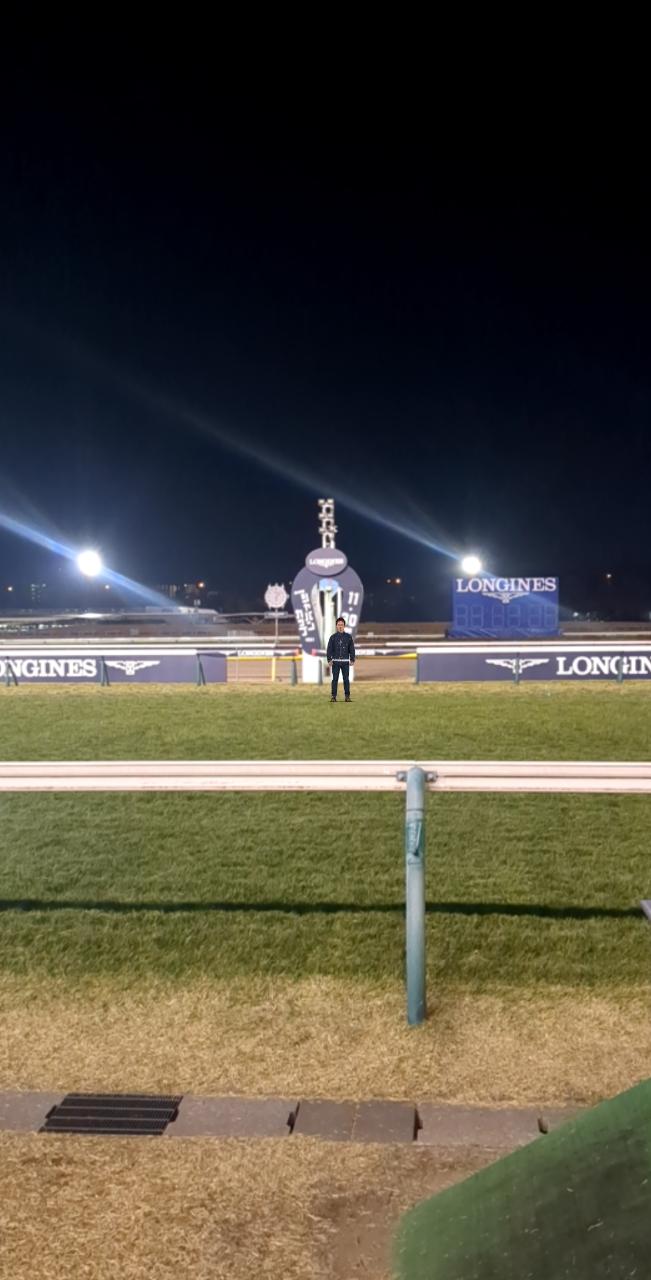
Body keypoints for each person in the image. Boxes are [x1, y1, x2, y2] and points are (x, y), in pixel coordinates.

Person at [326, 616, 355, 702]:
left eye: (342, 625)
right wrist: (329, 659)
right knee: (335, 680)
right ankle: (333, 697)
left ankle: (347, 697)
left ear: (344, 626)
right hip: (335, 662)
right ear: (336, 626)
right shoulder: (332, 637)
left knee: (346, 680)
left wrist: (352, 659)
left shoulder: (348, 637)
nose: (340, 626)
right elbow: (329, 649)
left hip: (345, 662)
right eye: (338, 625)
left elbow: (352, 649)